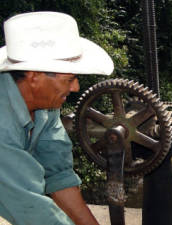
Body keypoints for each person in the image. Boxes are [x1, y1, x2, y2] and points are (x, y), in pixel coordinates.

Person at [0, 11, 114, 225]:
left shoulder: (46, 106)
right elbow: (30, 209)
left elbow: (58, 174)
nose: (76, 87)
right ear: (35, 76)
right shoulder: (2, 125)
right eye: (69, 79)